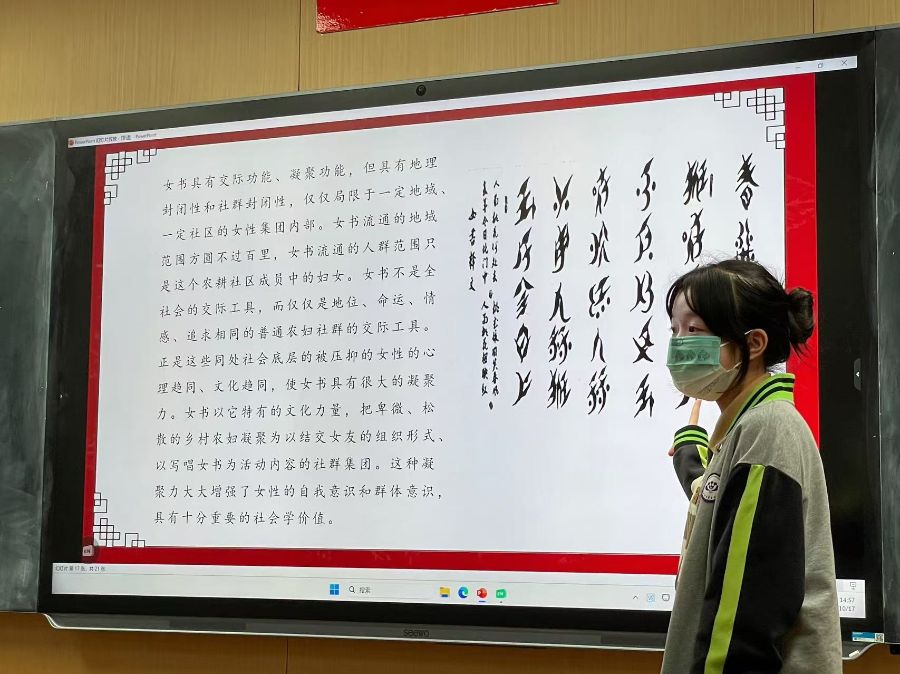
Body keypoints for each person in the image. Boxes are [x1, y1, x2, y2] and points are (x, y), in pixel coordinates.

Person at [660, 259, 841, 674]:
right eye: (675, 330)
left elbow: (742, 623)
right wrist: (691, 452)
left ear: (754, 343)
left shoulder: (767, 431)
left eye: (694, 331)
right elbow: (721, 501)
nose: (678, 344)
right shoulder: (751, 425)